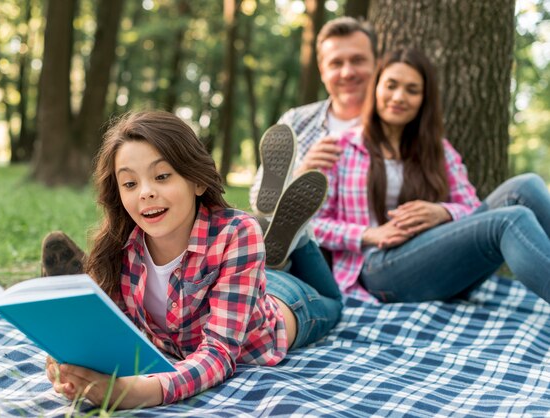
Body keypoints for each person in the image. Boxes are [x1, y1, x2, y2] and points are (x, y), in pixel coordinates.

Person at [43, 111, 342, 409]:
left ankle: (299, 236)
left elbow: (219, 353)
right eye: (130, 184)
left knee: (334, 301)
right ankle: (275, 240)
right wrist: (71, 363)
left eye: (162, 176)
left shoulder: (237, 234)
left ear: (197, 182)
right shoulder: (123, 246)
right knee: (262, 263)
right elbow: (115, 333)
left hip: (287, 305)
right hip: (241, 277)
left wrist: (144, 392)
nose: (146, 193)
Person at [311, 47, 550, 306]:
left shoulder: (439, 150)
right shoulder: (340, 148)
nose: (399, 97)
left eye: (412, 90)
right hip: (377, 269)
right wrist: (369, 234)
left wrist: (443, 213)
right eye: (391, 85)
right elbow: (313, 225)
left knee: (526, 185)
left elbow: (472, 206)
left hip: (440, 264)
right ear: (376, 88)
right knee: (511, 220)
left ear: (424, 99)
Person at [250, 16, 377, 215]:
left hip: (368, 238)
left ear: (376, 64)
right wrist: (303, 172)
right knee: (269, 220)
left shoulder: (392, 125)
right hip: (302, 236)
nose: (347, 72)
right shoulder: (295, 122)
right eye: (336, 63)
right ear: (322, 71)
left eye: (358, 60)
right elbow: (258, 198)